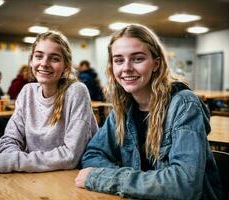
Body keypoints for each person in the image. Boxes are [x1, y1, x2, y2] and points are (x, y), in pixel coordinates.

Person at [75, 24, 222, 200]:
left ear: (156, 64)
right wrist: (135, 185)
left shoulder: (184, 104)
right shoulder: (123, 109)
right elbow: (93, 154)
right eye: (119, 60)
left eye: (137, 59)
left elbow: (184, 184)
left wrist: (104, 178)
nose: (126, 68)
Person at [0, 31, 98, 174]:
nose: (44, 63)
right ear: (31, 61)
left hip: (69, 180)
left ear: (66, 66)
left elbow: (70, 156)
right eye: (38, 56)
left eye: (54, 58)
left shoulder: (77, 91)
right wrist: (14, 162)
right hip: (31, 178)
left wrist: (9, 161)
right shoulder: (27, 92)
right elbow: (9, 140)